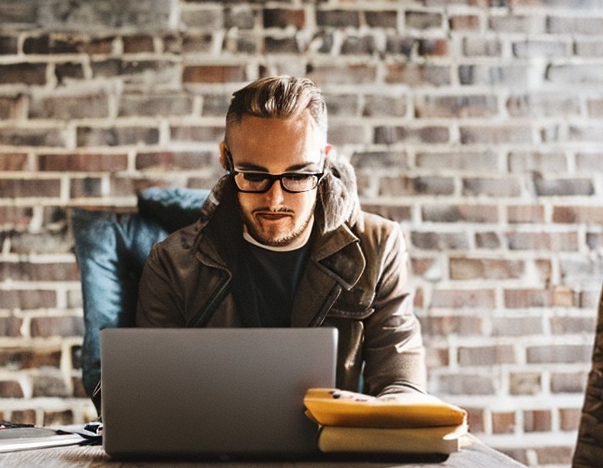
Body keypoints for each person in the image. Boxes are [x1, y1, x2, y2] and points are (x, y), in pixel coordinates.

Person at [136, 75, 426, 397]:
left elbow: (403, 386)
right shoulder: (172, 263)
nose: (275, 200)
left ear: (324, 160)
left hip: (335, 445)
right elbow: (152, 393)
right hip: (214, 446)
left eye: (298, 176)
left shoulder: (379, 246)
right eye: (255, 176)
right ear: (225, 159)